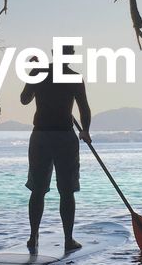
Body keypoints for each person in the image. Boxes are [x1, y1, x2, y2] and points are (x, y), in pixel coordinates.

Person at [20, 58, 92, 252]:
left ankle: (33, 236)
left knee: (38, 189)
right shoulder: (74, 78)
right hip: (64, 136)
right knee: (66, 191)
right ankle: (68, 240)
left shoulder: (39, 73)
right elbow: (84, 107)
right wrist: (85, 130)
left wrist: (33, 74)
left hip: (41, 135)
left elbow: (24, 99)